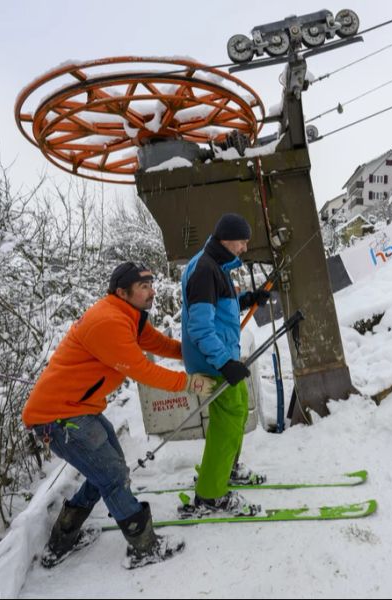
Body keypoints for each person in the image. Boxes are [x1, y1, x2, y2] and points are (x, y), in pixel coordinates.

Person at [22, 262, 217, 569]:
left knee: (108, 471)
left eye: (151, 284)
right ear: (123, 292)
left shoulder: (128, 315)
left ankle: (62, 541)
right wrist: (189, 383)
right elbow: (141, 369)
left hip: (79, 410)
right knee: (111, 475)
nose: (152, 291)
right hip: (58, 418)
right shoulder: (108, 322)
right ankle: (144, 546)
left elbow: (156, 343)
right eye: (144, 287)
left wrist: (190, 353)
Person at [179, 213, 270, 518]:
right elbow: (201, 328)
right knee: (228, 418)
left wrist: (248, 298)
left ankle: (225, 469)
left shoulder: (213, 265)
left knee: (239, 407)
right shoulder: (205, 269)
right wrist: (225, 362)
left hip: (220, 355)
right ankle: (210, 494)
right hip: (213, 359)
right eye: (243, 241)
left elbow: (219, 307)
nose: (245, 247)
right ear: (228, 238)